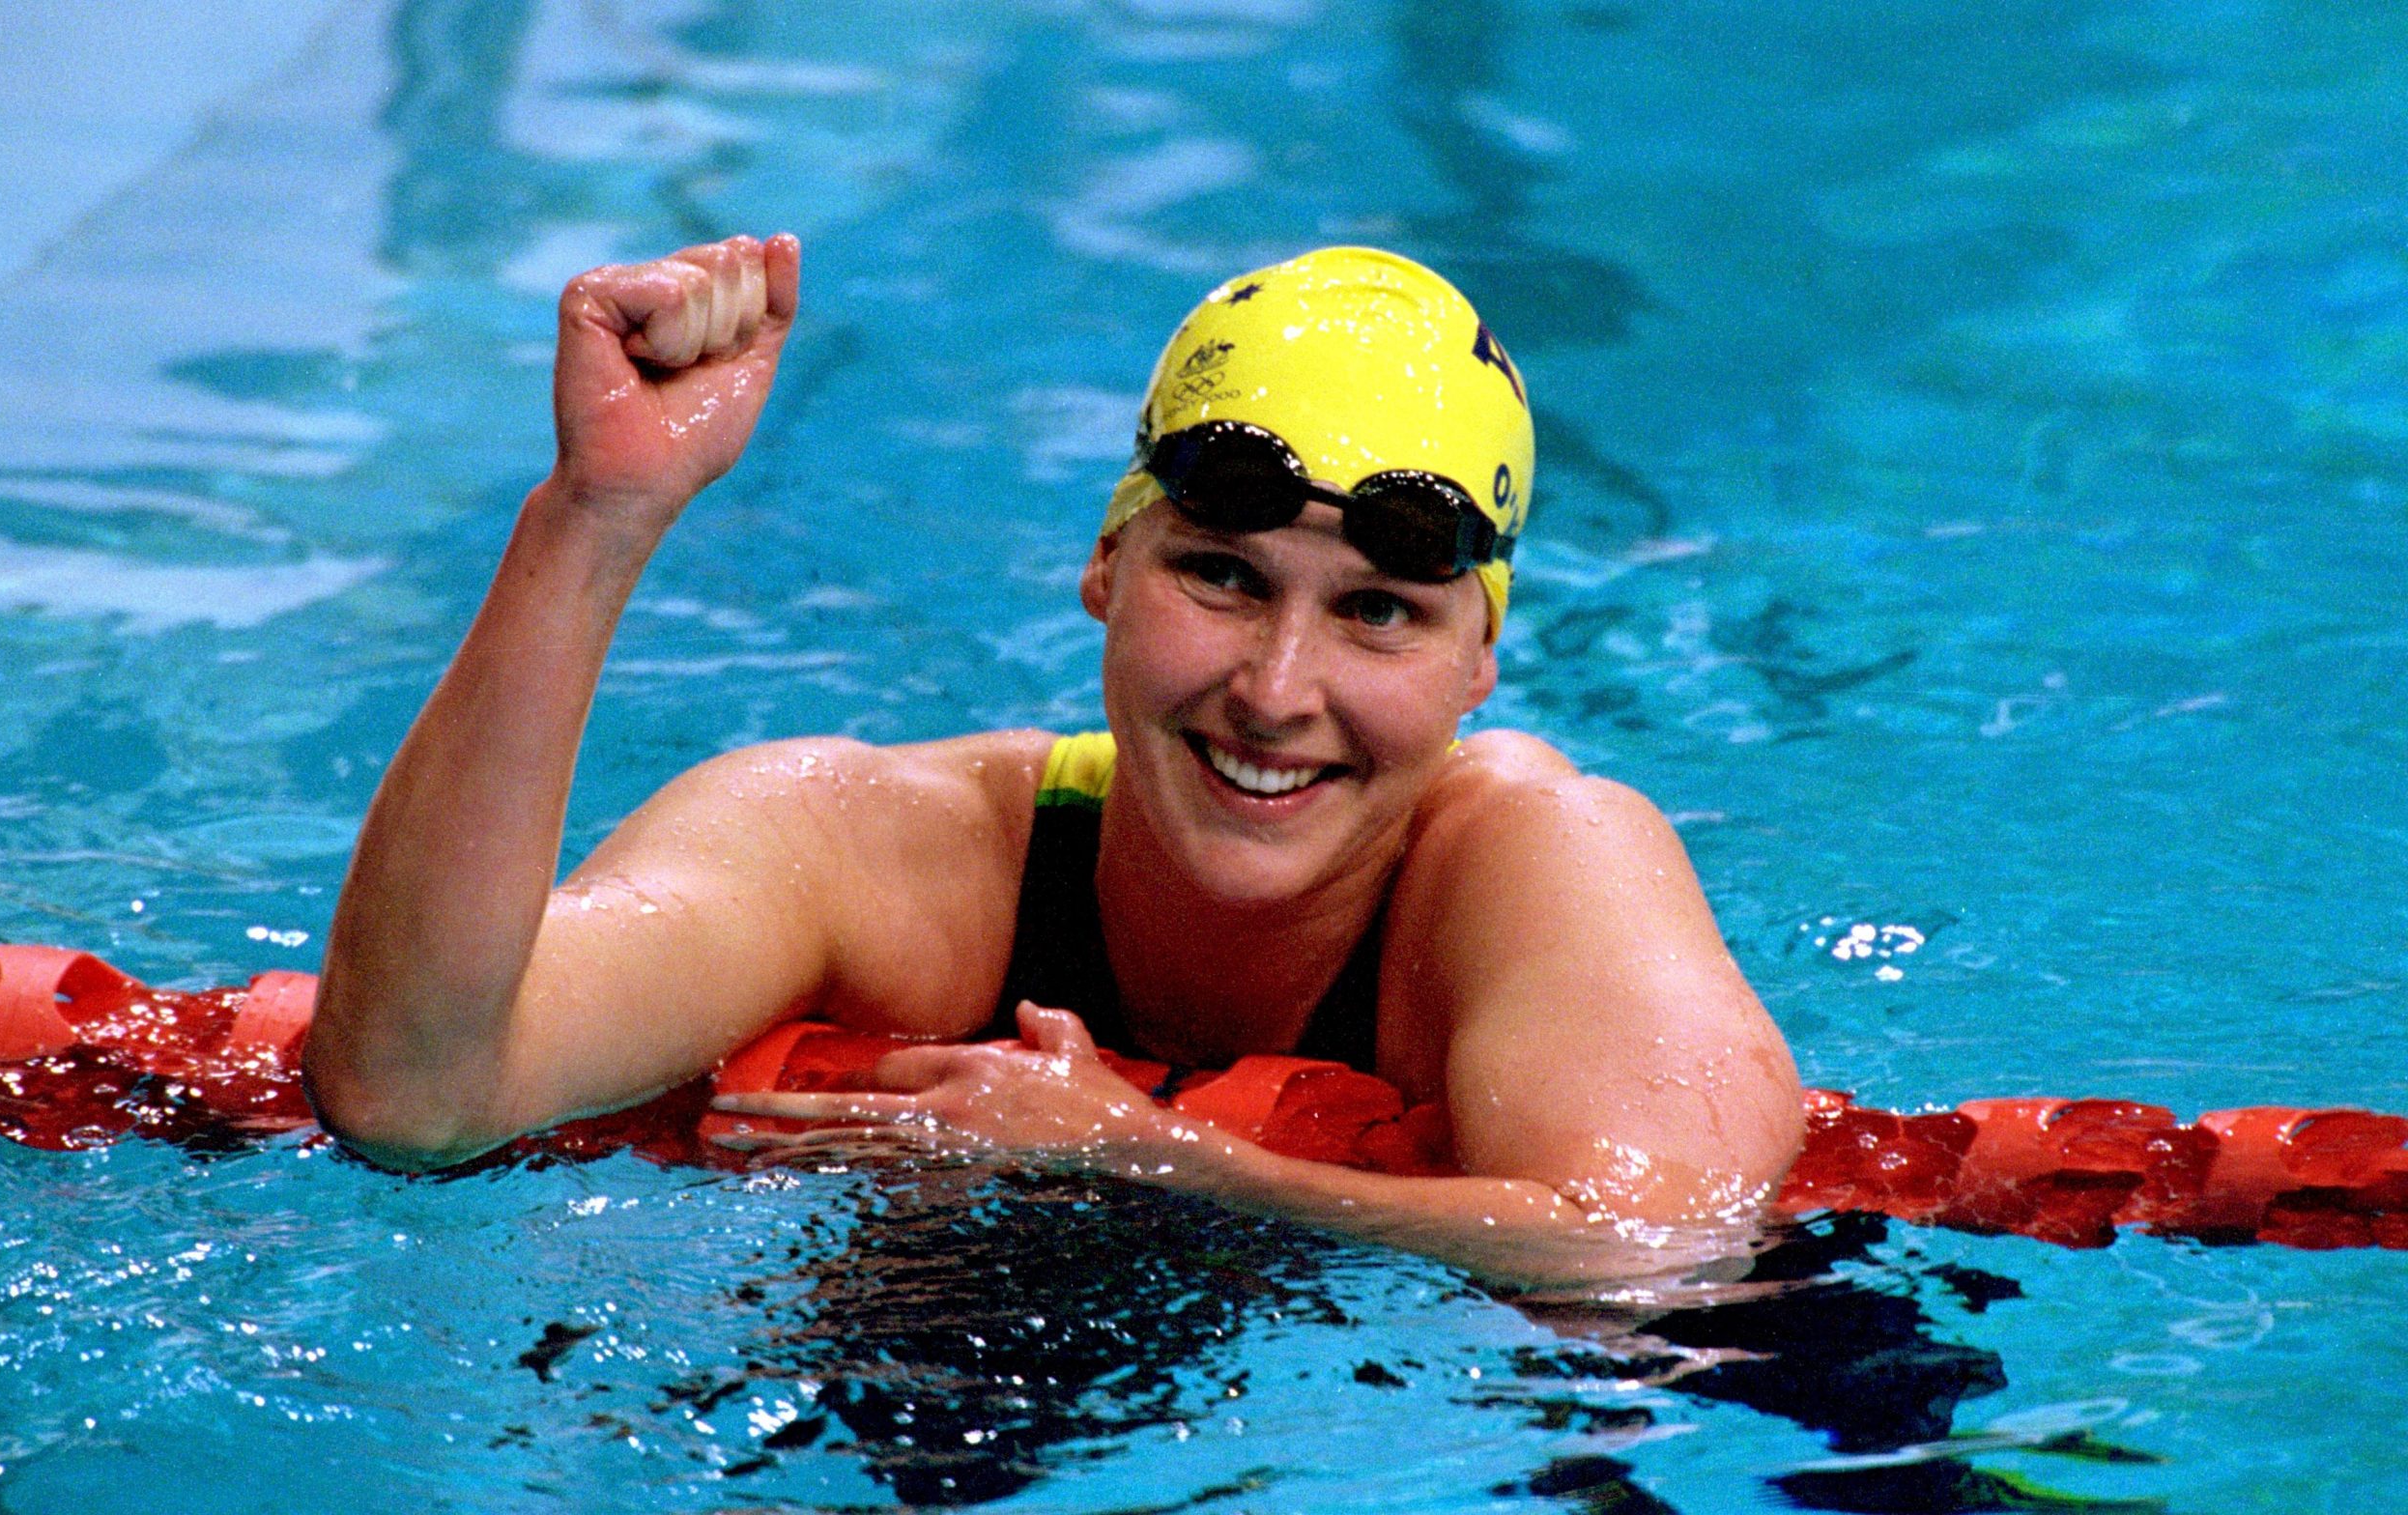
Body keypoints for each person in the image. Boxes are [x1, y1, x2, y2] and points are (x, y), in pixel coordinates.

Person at [301, 232, 1805, 1286]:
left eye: (1378, 615)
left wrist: (1147, 1156)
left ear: (1480, 663)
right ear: (1105, 564)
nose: (1280, 691)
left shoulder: (1543, 858)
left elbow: (1664, 1250)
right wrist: (594, 520)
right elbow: (417, 1094)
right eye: (1219, 577)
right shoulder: (866, 844)